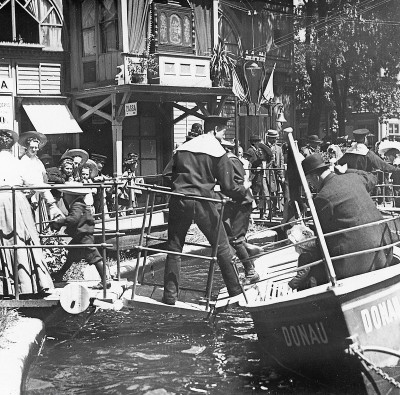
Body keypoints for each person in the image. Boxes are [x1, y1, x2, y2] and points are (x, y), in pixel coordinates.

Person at [162, 115, 250, 305]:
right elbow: (229, 186)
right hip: (203, 201)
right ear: (216, 129)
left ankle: (170, 296)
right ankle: (236, 293)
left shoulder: (183, 148)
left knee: (175, 248)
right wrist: (245, 190)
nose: (223, 134)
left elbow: (167, 174)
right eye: (223, 131)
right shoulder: (217, 151)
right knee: (222, 247)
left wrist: (181, 187)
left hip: (179, 200)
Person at [299, 153, 393, 285]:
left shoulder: (322, 198)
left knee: (311, 260)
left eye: (310, 181)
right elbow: (373, 177)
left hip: (355, 263)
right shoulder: (354, 178)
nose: (311, 185)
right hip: (385, 250)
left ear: (315, 177)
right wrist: (346, 170)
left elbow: (324, 236)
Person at [0, 129, 60, 296]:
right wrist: (52, 204)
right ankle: (27, 284)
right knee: (22, 239)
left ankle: (4, 286)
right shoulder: (18, 163)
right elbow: (37, 183)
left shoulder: (21, 162)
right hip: (16, 200)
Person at [50, 183, 110, 288]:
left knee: (94, 256)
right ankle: (60, 274)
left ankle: (105, 280)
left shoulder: (77, 205)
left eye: (65, 195)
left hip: (84, 235)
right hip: (80, 234)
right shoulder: (79, 204)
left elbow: (74, 219)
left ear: (70, 196)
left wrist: (59, 222)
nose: (64, 197)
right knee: (71, 255)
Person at [220, 138, 261, 284]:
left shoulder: (230, 161)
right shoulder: (231, 160)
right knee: (232, 236)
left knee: (235, 239)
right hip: (237, 201)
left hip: (240, 202)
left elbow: (238, 183)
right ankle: (249, 252)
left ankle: (250, 271)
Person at [19, 131, 50, 212]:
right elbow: (24, 178)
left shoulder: (37, 160)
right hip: (30, 191)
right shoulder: (24, 160)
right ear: (27, 147)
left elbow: (43, 175)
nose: (34, 149)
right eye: (31, 147)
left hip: (39, 191)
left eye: (36, 147)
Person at [265, 129, 285, 215]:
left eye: (275, 138)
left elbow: (281, 162)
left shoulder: (279, 149)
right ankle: (269, 211)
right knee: (269, 192)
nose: (274, 140)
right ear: (268, 138)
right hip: (268, 173)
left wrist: (282, 174)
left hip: (277, 174)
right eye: (272, 138)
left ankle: (275, 210)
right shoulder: (264, 148)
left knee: (277, 192)